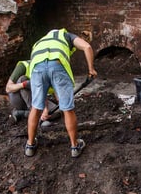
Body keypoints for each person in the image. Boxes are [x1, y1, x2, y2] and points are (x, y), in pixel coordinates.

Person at [24, 28, 97, 158]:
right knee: (67, 109)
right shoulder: (66, 35)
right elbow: (87, 47)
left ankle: (30, 145)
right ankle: (75, 146)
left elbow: (47, 79)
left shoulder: (41, 42)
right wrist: (91, 69)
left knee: (35, 107)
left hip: (36, 68)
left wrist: (47, 106)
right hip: (57, 65)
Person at [5, 59, 59, 125]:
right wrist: (24, 84)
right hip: (19, 100)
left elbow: (55, 92)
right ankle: (37, 115)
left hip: (37, 99)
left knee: (58, 111)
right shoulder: (24, 65)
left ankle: (21, 113)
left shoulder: (51, 70)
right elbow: (8, 88)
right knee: (24, 79)